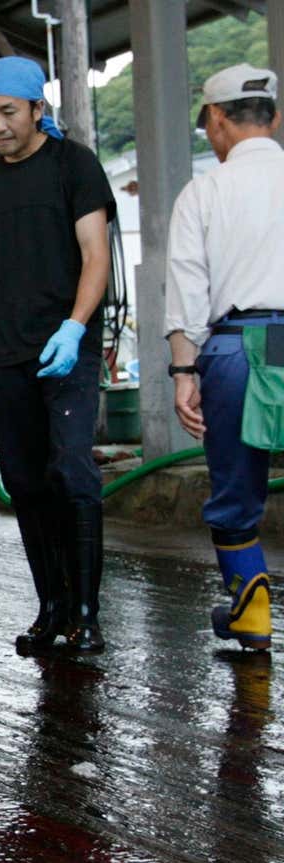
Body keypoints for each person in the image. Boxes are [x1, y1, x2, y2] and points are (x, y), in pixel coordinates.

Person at [0, 57, 116, 656]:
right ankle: (50, 608)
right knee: (22, 480)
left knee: (71, 471)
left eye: (7, 113)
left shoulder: (74, 165)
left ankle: (85, 613)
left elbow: (94, 254)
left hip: (64, 346)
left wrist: (75, 328)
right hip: (6, 349)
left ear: (37, 111)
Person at [166, 63, 284, 652]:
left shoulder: (205, 191)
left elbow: (188, 291)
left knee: (237, 490)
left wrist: (185, 371)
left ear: (215, 120)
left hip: (239, 345)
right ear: (276, 118)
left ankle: (252, 613)